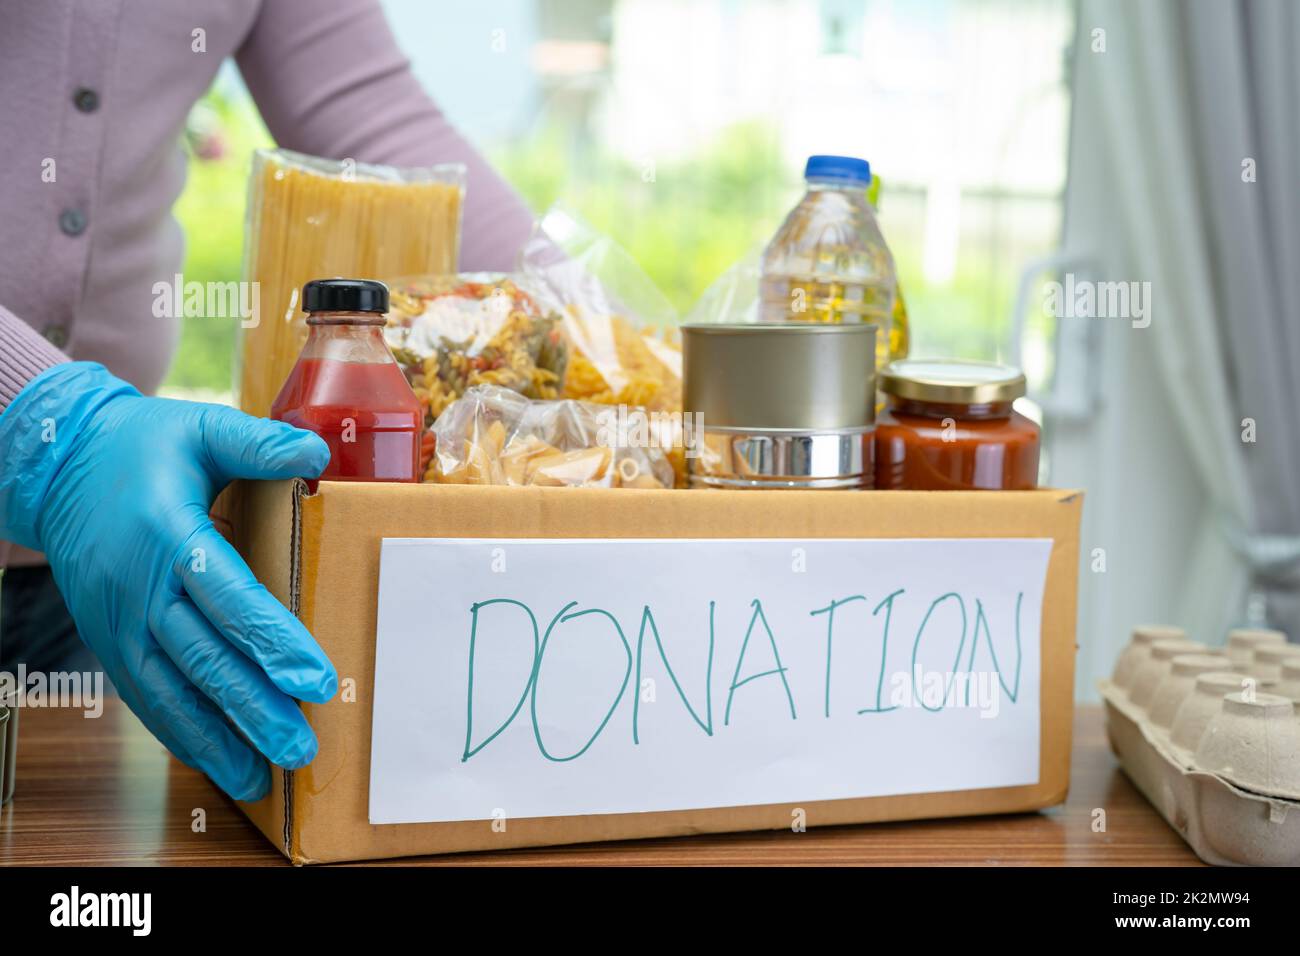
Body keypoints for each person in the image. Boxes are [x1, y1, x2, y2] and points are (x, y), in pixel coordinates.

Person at [0, 0, 537, 802]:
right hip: (88, 498)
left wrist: (584, 323)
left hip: (93, 581)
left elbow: (371, 118)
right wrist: (53, 432)